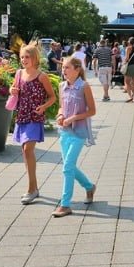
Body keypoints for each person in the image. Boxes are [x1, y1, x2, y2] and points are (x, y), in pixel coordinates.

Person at [11, 43, 56, 205]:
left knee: (28, 149)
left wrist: (44, 107)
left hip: (35, 117)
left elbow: (52, 97)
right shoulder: (18, 74)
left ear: (35, 58)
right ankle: (34, 187)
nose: (24, 60)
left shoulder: (41, 76)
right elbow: (14, 89)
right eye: (22, 57)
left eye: (27, 57)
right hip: (22, 116)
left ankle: (31, 189)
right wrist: (12, 91)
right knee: (25, 151)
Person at [52, 56, 97, 218]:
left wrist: (73, 118)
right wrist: (60, 116)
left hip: (79, 132)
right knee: (69, 166)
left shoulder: (84, 86)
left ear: (77, 70)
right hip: (64, 132)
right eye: (63, 68)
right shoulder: (61, 86)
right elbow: (61, 107)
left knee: (67, 167)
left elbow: (92, 111)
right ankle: (89, 186)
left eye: (67, 68)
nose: (63, 71)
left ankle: (65, 205)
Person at [123, 37, 134, 103]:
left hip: (130, 66)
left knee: (127, 82)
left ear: (129, 42)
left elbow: (127, 58)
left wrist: (123, 63)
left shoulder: (128, 48)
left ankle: (131, 96)